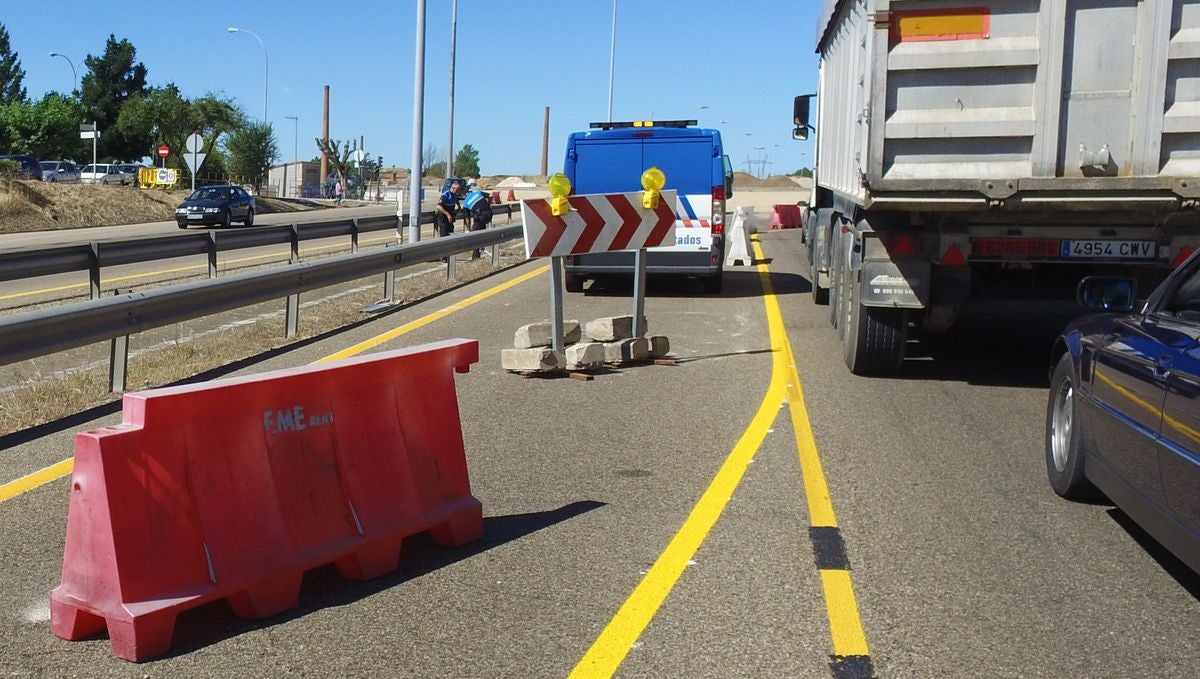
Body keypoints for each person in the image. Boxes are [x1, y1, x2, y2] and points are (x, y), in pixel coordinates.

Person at [463, 184, 493, 259]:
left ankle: (475, 256)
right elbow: (490, 196)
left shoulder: (465, 203)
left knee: (475, 235)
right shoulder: (478, 193)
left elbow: (467, 219)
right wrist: (488, 205)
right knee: (481, 231)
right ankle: (480, 249)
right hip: (489, 214)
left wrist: (469, 228)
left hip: (480, 217)